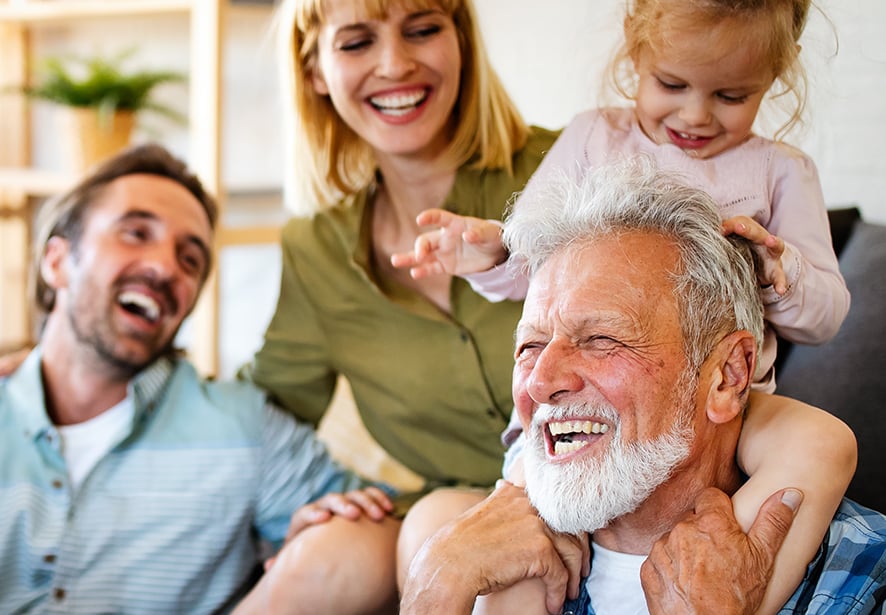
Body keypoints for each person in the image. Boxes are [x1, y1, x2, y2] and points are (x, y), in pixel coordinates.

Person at [392, 0, 856, 611]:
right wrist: (493, 250)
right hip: (567, 440)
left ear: (774, 77)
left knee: (822, 445)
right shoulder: (592, 136)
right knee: (525, 542)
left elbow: (825, 316)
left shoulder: (780, 170)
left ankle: (732, 588)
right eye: (671, 84)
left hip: (736, 403)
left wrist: (780, 270)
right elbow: (537, 260)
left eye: (731, 95)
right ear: (635, 54)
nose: (695, 114)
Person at [400, 158, 886, 615]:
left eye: (601, 339)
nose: (542, 382)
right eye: (529, 347)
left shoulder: (867, 578)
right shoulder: (480, 566)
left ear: (728, 376)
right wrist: (433, 588)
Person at [235, 0, 559, 612]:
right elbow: (259, 408)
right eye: (357, 42)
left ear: (460, 40)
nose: (395, 63)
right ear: (315, 71)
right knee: (372, 544)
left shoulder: (564, 168)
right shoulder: (316, 250)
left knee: (440, 539)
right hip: (458, 506)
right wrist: (46, 368)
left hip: (607, 480)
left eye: (423, 29)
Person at [0, 144, 393, 615]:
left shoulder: (242, 426)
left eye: (190, 259)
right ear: (57, 261)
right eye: (135, 233)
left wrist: (319, 543)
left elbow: (384, 534)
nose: (166, 267)